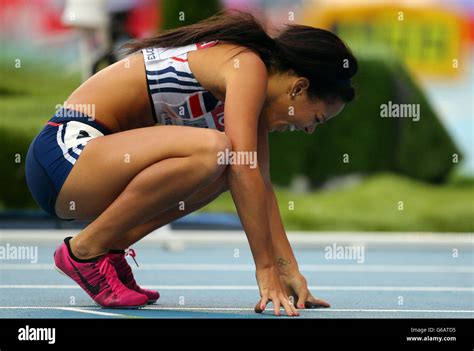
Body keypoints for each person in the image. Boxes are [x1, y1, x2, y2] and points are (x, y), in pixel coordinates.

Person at [25, 11, 358, 315]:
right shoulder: (247, 66)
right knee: (216, 151)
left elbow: (259, 185)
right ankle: (84, 250)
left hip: (86, 170)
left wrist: (290, 272)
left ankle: (108, 250)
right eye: (316, 119)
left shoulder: (251, 86)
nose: (308, 130)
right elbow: (242, 166)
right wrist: (265, 271)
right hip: (63, 154)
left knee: (224, 167)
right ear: (299, 87)